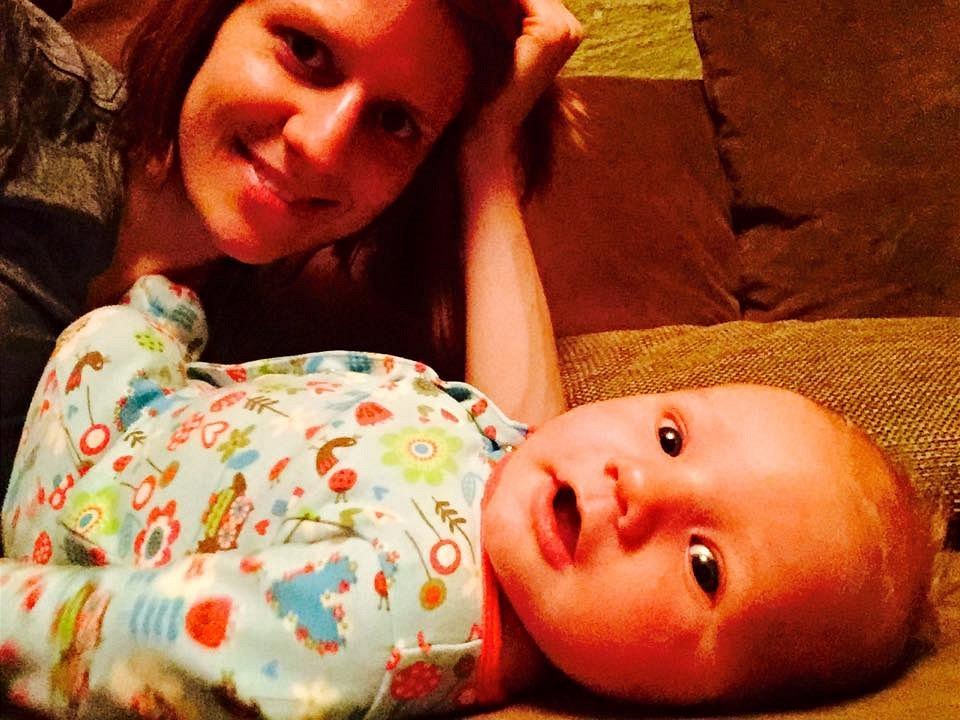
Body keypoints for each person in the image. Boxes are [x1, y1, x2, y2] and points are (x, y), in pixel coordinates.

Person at [0, 275, 938, 718]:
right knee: (143, 316)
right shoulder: (520, 474)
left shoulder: (392, 624)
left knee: (114, 329)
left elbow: (124, 643)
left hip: (82, 492)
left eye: (704, 567)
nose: (642, 486)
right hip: (173, 413)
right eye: (670, 436)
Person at [0, 0, 583, 501]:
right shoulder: (20, 81)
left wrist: (489, 155)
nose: (322, 147)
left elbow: (536, 508)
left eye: (394, 121)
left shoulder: (289, 357)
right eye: (305, 51)